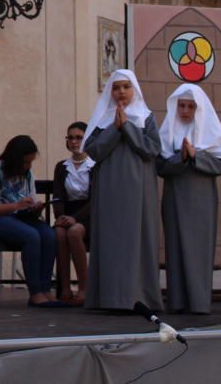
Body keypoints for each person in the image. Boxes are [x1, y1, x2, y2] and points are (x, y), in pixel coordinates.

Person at [83, 69, 162, 311]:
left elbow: (152, 150)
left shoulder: (146, 117)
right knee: (110, 240)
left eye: (126, 87)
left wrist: (126, 127)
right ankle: (108, 297)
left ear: (134, 90)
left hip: (139, 191)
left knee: (137, 242)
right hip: (109, 190)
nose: (121, 92)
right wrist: (114, 129)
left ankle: (138, 297)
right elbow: (93, 150)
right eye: (116, 87)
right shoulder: (103, 119)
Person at [157, 84, 221, 314]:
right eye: (181, 106)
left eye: (190, 106)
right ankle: (177, 301)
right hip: (174, 196)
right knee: (175, 246)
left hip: (201, 199)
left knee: (199, 248)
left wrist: (196, 155)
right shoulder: (168, 131)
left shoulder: (212, 134)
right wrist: (181, 157)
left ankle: (199, 303)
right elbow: (160, 165)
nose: (185, 111)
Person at [0, 135, 62, 307]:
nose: (28, 166)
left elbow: (30, 199)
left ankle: (46, 289)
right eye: (25, 162)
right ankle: (36, 292)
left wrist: (36, 207)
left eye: (30, 162)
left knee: (49, 235)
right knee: (31, 236)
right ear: (14, 159)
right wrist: (16, 205)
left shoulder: (27, 174)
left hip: (20, 217)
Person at [53, 121, 94, 306]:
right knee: (60, 232)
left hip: (89, 216)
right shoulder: (62, 167)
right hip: (68, 213)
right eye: (71, 137)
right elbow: (58, 195)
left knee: (74, 231)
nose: (74, 141)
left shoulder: (94, 165)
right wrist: (60, 215)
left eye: (79, 137)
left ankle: (85, 288)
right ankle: (65, 288)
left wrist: (75, 218)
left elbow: (96, 199)